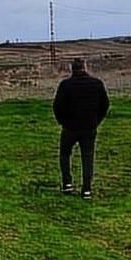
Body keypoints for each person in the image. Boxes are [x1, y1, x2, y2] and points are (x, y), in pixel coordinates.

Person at [52, 58, 109, 199]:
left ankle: (67, 184)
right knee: (87, 157)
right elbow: (105, 105)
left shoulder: (66, 85)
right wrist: (96, 121)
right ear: (85, 67)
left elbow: (57, 106)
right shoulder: (96, 84)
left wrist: (63, 122)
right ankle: (87, 189)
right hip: (89, 127)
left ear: (72, 69)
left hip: (70, 128)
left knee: (65, 155)